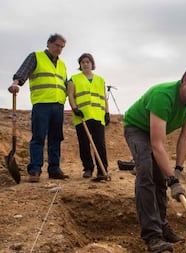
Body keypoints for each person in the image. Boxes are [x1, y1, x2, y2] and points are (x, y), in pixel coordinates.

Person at [123, 62, 186, 253]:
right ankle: (152, 236)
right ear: (185, 80)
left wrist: (177, 170)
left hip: (154, 135)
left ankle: (162, 226)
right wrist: (172, 178)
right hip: (137, 128)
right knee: (146, 171)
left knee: (161, 178)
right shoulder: (163, 96)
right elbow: (157, 145)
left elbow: (185, 137)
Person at [8, 33, 69, 182]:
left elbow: (65, 84)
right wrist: (16, 83)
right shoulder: (36, 57)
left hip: (59, 105)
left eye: (62, 47)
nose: (59, 49)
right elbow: (23, 71)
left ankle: (54, 169)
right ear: (48, 44)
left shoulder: (62, 65)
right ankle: (35, 170)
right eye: (57, 45)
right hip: (42, 104)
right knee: (39, 137)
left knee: (56, 137)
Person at [67, 53, 110, 181]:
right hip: (82, 117)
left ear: (92, 64)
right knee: (84, 143)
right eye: (83, 62)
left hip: (98, 116)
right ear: (80, 65)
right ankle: (88, 168)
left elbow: (104, 98)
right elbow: (70, 96)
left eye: (88, 62)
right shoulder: (73, 79)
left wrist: (107, 113)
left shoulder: (100, 80)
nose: (86, 64)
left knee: (100, 144)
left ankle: (103, 169)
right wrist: (75, 109)